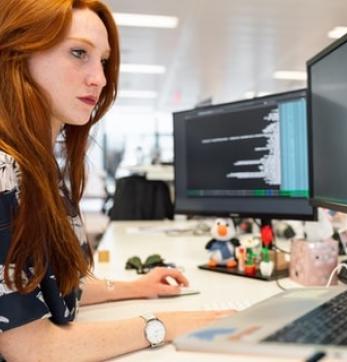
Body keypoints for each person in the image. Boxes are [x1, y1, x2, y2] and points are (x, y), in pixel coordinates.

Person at [0, 0, 231, 360]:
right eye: (79, 53)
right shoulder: (4, 171)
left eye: (103, 61)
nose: (101, 78)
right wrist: (168, 325)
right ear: (18, 54)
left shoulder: (41, 170)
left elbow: (52, 289)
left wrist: (135, 287)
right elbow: (31, 348)